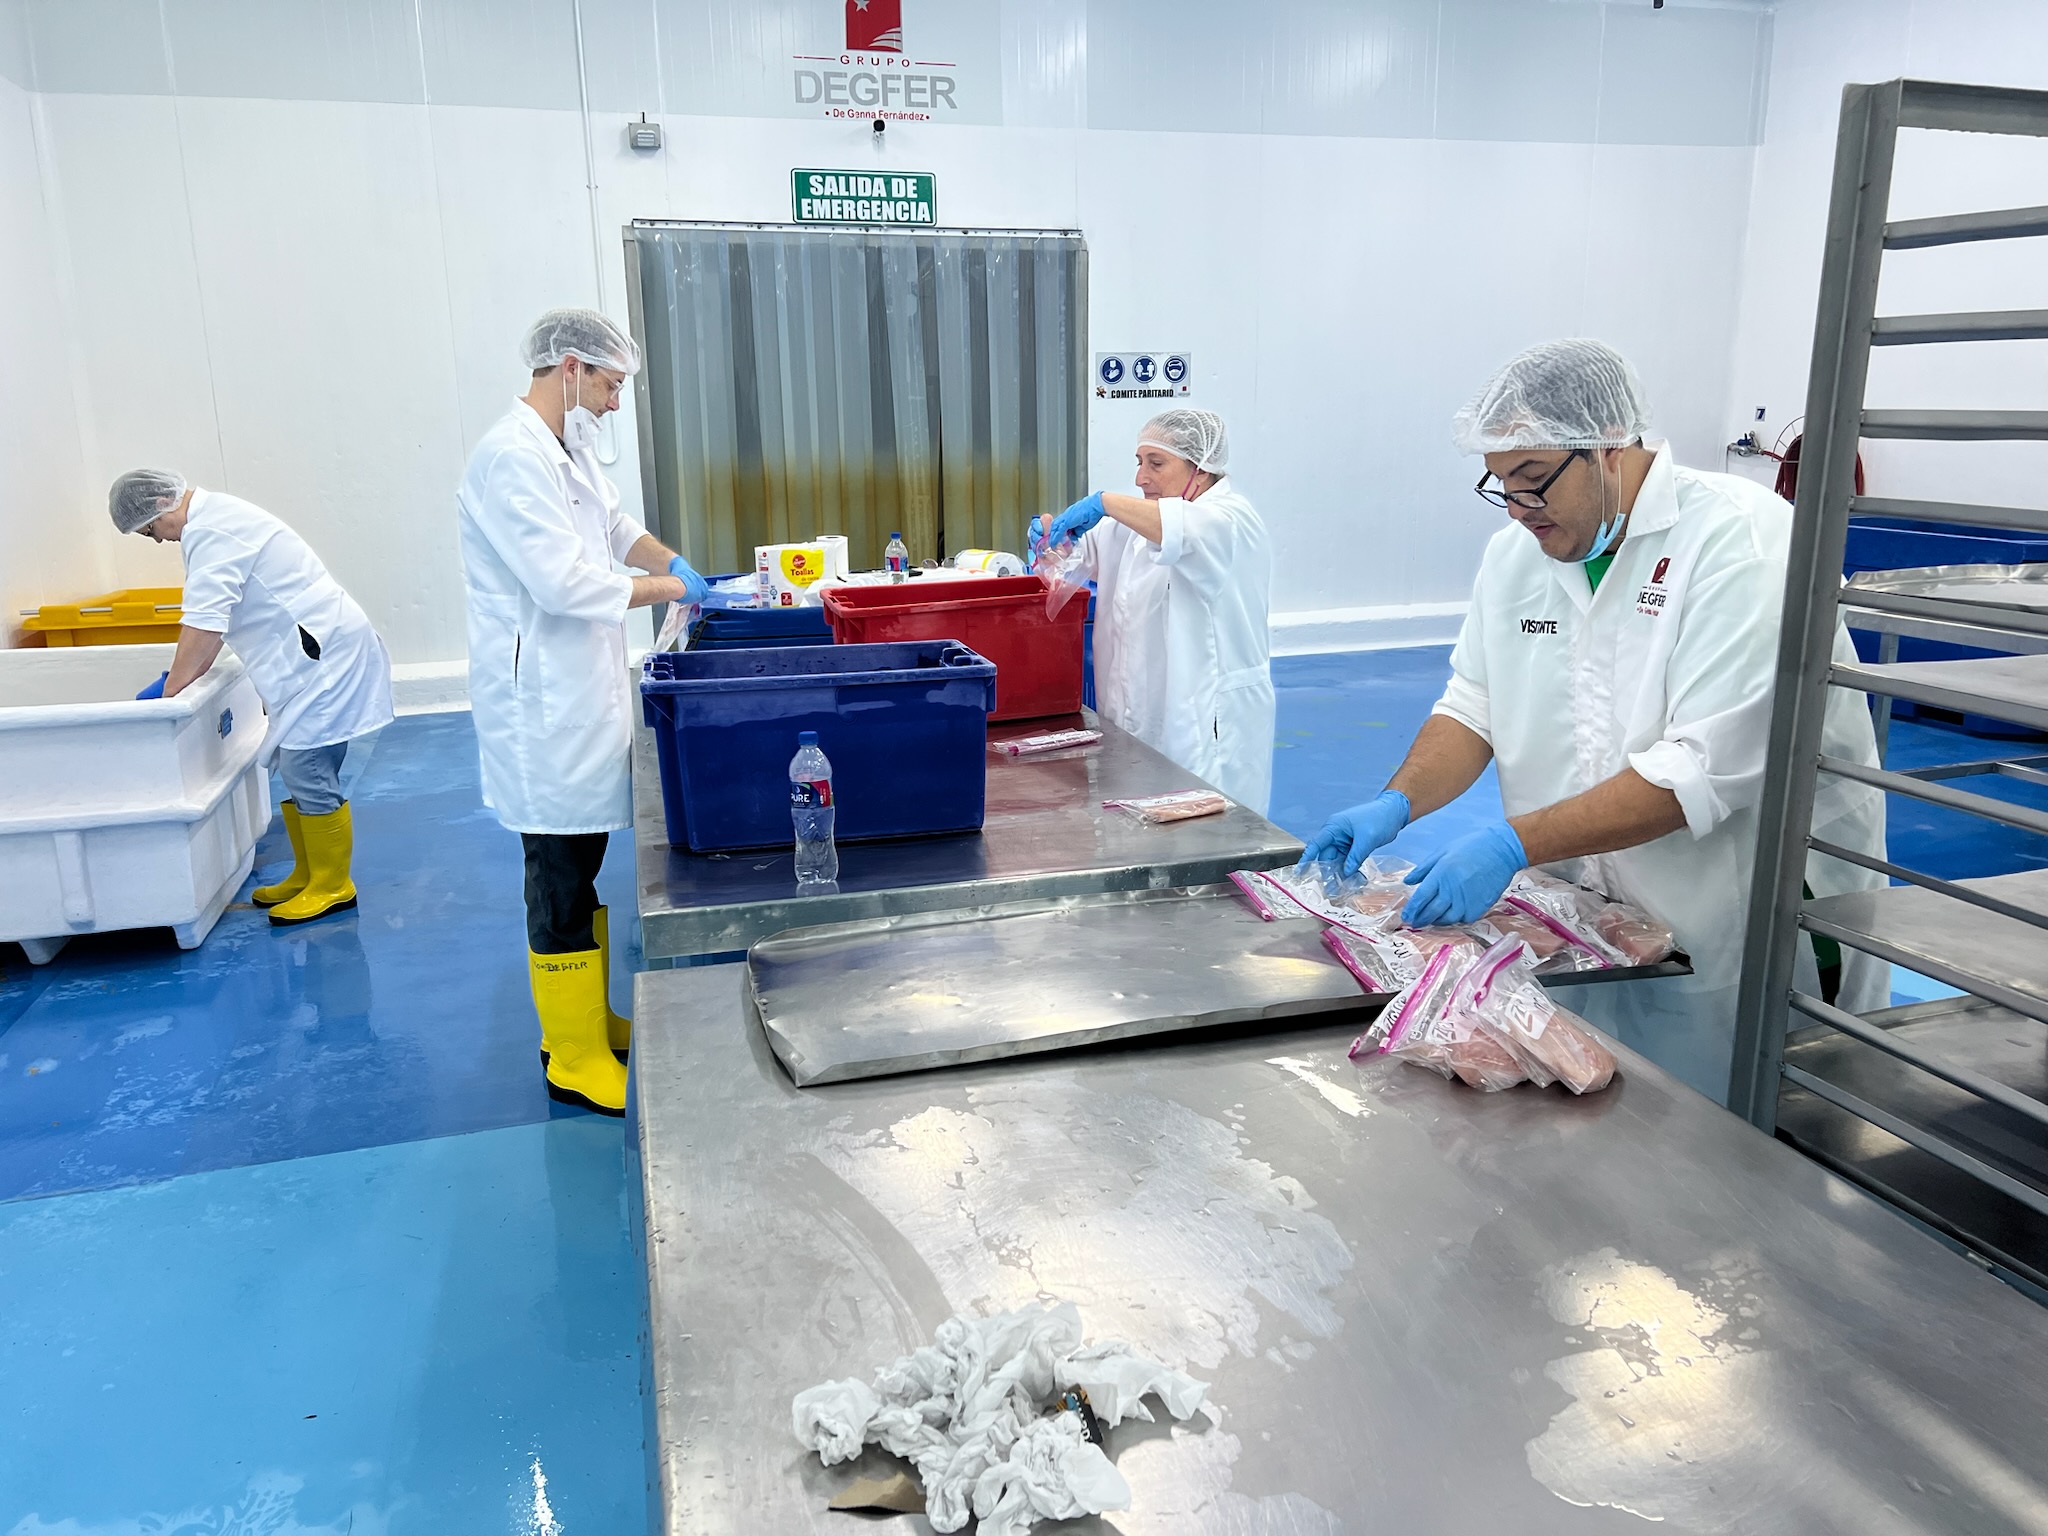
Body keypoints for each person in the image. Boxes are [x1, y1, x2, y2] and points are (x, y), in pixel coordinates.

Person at [1299, 339, 1888, 1103]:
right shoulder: (1517, 559)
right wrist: (1398, 800)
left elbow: (1699, 771)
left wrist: (1513, 843)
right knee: (1619, 1118)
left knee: (1749, 1133)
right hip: (1598, 923)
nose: (1516, 508)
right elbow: (1473, 705)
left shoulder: (1742, 542)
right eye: (1500, 484)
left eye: (1534, 481)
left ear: (1610, 449)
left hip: (1742, 914)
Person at [456, 306, 708, 1117]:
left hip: (581, 688)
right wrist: (671, 591)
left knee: (584, 858)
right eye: (609, 383)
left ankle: (589, 1019)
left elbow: (615, 527)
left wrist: (672, 560)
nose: (612, 401)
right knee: (557, 872)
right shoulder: (508, 458)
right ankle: (568, 1055)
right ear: (569, 367)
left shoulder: (567, 449)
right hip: (539, 705)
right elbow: (564, 583)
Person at [109, 470, 395, 926]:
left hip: (323, 657)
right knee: (293, 762)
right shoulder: (212, 521)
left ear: (164, 500)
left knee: (308, 766)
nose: (157, 541)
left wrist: (171, 694)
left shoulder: (213, 530)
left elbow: (205, 624)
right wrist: (179, 677)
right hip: (308, 656)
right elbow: (218, 615)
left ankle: (333, 885)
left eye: (150, 530)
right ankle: (309, 873)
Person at [1033, 408, 1275, 813]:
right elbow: (1074, 556)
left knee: (1208, 835)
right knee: (1139, 824)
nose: (1140, 478)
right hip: (1139, 718)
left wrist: (1105, 501)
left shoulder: (1230, 520)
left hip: (1206, 720)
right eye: (1139, 462)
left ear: (1200, 468)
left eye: (1156, 463)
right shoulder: (1133, 524)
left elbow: (1183, 529)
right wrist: (1052, 538)